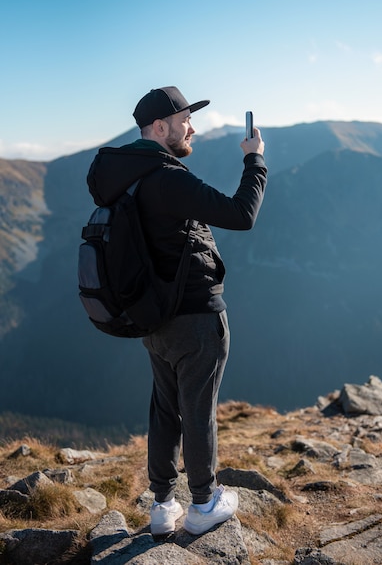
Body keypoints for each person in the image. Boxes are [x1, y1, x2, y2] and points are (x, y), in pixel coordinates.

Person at [87, 86, 267, 536]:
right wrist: (255, 159)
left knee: (166, 409)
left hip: (153, 317)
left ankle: (163, 503)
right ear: (160, 127)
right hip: (196, 316)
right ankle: (204, 503)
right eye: (186, 119)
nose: (193, 127)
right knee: (198, 409)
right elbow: (241, 214)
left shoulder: (126, 177)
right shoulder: (169, 178)